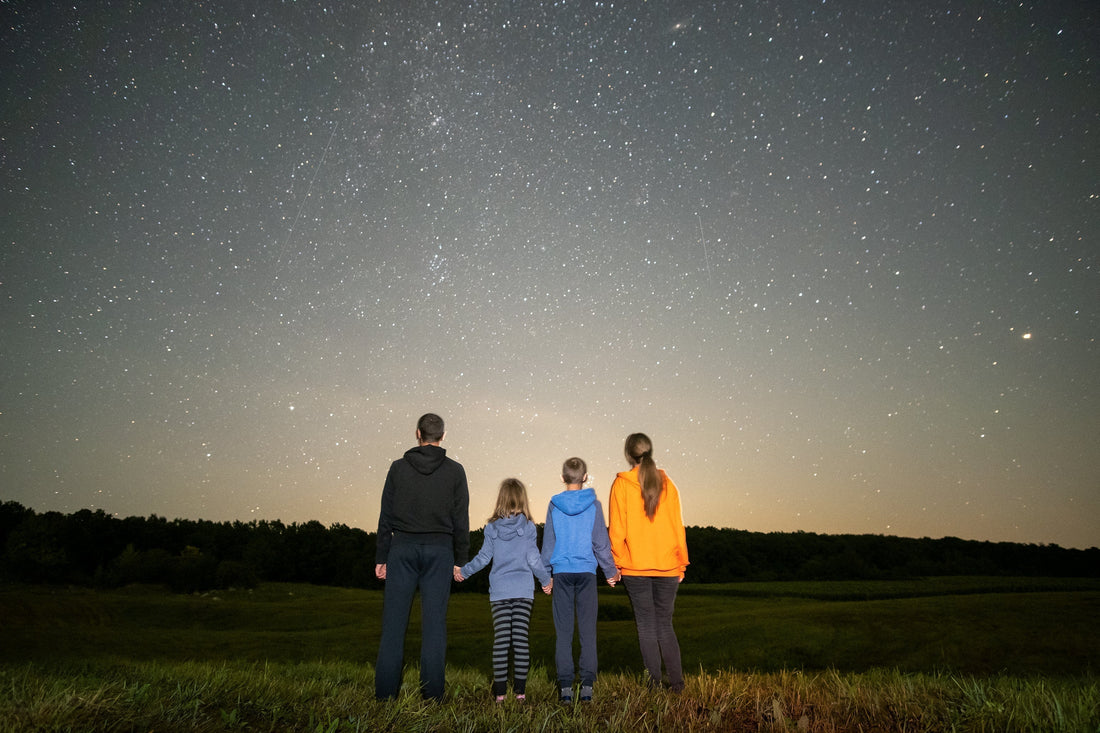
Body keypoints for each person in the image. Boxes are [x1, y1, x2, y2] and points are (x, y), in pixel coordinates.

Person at [374, 413, 470, 701]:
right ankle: (432, 696)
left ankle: (385, 697)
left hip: (401, 549)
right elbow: (460, 519)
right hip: (440, 552)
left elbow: (385, 516)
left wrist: (381, 555)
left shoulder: (398, 468)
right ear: (443, 436)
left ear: (418, 433)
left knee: (393, 624)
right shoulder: (456, 471)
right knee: (435, 625)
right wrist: (461, 559)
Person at [456, 478, 552, 702]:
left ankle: (500, 694)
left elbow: (483, 558)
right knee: (520, 639)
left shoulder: (492, 527)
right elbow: (534, 559)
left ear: (501, 499)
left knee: (501, 640)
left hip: (499, 593)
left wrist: (464, 571)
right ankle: (520, 693)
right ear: (522, 499)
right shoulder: (528, 527)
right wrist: (546, 580)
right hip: (523, 591)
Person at [608, 433, 689, 693]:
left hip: (635, 567)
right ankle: (677, 685)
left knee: (645, 626)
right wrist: (681, 563)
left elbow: (616, 531)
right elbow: (678, 527)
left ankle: (653, 686)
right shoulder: (669, 485)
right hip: (667, 566)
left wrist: (617, 563)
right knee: (665, 624)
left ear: (629, 455)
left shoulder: (621, 485)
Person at [540, 457, 620, 704]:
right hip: (586, 574)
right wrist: (610, 572)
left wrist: (546, 576)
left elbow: (548, 543)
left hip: (562, 574)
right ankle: (587, 687)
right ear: (585, 477)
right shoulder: (593, 505)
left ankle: (565, 688)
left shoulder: (554, 505)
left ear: (563, 478)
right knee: (587, 632)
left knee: (563, 633)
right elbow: (600, 543)